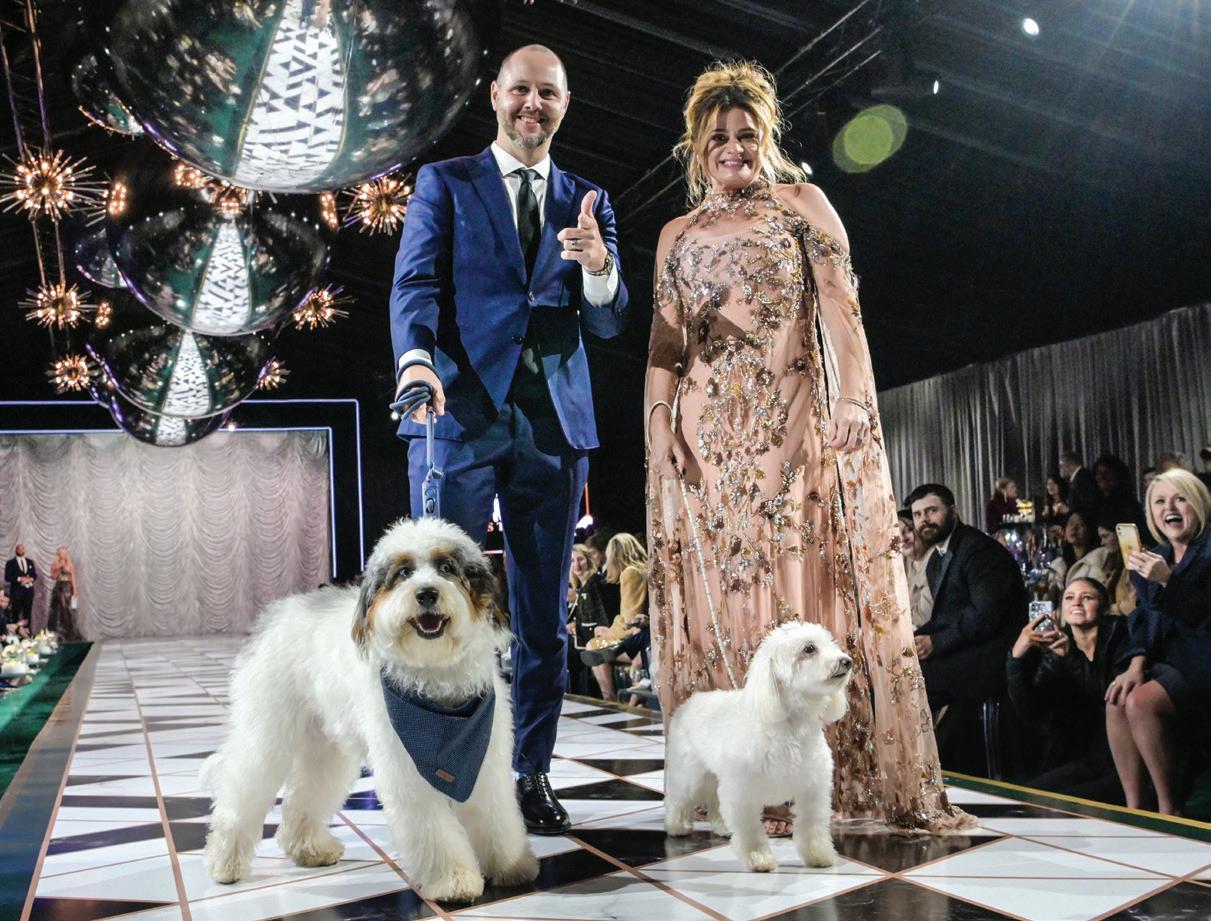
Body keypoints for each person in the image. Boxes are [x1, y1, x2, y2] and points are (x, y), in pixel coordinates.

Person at [645, 60, 971, 833]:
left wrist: (855, 396)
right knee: (719, 601)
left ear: (766, 137)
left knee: (791, 591)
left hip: (788, 428)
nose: (732, 147)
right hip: (701, 438)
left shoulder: (803, 206)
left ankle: (807, 778)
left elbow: (840, 311)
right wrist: (658, 421)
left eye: (745, 133)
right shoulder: (673, 235)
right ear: (696, 147)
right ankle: (735, 776)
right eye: (717, 137)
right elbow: (663, 344)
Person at [389, 44, 629, 835]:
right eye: (519, 90)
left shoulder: (588, 200)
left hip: (552, 430)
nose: (532, 104)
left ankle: (530, 771)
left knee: (541, 618)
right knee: (437, 607)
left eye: (547, 93)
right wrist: (416, 360)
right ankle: (444, 778)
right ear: (494, 95)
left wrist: (598, 267)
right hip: (457, 417)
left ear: (565, 103)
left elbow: (608, 320)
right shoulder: (445, 182)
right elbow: (415, 283)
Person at [1106, 469, 1211, 815]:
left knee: (1141, 702)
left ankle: (1169, 810)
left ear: (1199, 503)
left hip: (1202, 657)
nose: (1170, 508)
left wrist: (1168, 581)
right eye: (1160, 501)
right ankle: (1136, 810)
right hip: (1169, 660)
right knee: (1117, 698)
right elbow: (1143, 619)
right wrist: (1135, 664)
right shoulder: (1155, 556)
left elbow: (1204, 618)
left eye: (1180, 499)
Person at [909, 484, 1028, 714]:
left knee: (904, 679)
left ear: (953, 511)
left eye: (932, 510)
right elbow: (946, 617)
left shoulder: (979, 550)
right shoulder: (935, 560)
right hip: (966, 647)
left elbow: (987, 615)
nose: (924, 520)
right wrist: (909, 641)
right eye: (917, 514)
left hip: (994, 656)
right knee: (896, 667)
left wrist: (936, 642)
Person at [1007, 578, 1127, 802]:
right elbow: (1031, 711)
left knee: (1058, 804)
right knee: (1024, 799)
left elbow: (1108, 698)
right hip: (1081, 757)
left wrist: (1070, 657)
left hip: (1122, 759)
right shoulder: (1059, 647)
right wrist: (1016, 657)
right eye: (1069, 598)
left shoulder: (1120, 634)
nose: (1077, 603)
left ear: (1104, 606)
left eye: (1087, 597)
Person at [581, 533, 648, 703]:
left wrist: (609, 632)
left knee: (593, 646)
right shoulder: (642, 569)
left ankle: (609, 699)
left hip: (635, 636)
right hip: (641, 633)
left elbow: (630, 617)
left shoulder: (630, 573)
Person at [1046, 510, 1115, 597]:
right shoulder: (1059, 564)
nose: (1074, 528)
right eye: (1070, 524)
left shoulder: (1100, 559)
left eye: (1080, 524)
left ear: (1089, 530)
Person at [897, 508, 933, 628]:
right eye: (896, 534)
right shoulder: (905, 561)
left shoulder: (933, 560)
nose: (903, 538)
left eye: (908, 530)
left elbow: (924, 617)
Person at [4, 544, 37, 636]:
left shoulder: (30, 562)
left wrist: (30, 579)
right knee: (15, 613)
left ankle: (27, 635)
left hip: (28, 592)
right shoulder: (10, 563)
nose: (21, 550)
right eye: (19, 549)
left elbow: (34, 575)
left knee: (27, 613)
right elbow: (7, 577)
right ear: (16, 550)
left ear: (24, 550)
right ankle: (15, 634)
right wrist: (19, 579)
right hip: (16, 592)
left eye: (23, 549)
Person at [48, 546, 79, 640]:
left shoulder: (70, 564)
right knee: (57, 609)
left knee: (67, 609)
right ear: (58, 554)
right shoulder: (55, 563)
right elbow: (53, 577)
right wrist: (58, 568)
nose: (63, 555)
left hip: (67, 587)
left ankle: (70, 631)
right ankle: (56, 630)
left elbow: (73, 577)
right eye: (61, 553)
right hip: (59, 586)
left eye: (65, 553)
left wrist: (75, 589)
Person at [1059, 451, 1098, 522]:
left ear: (1070, 465)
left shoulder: (1083, 477)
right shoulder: (1078, 477)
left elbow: (1088, 506)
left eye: (1061, 466)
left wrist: (1068, 510)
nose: (1060, 469)